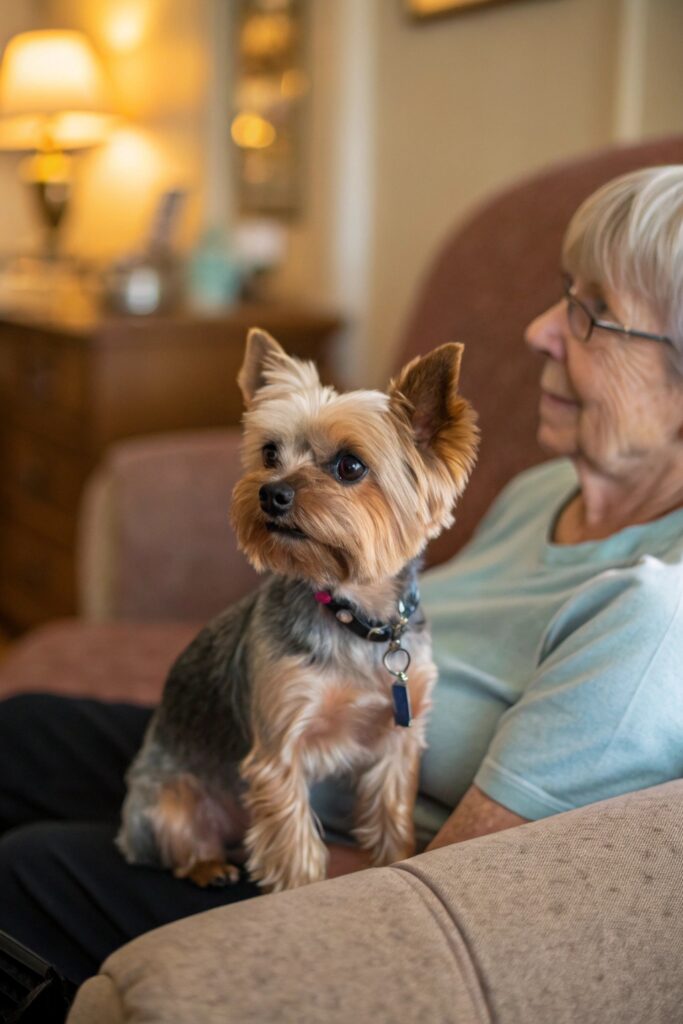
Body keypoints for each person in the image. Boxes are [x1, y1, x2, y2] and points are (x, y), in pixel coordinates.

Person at [1, 165, 682, 986]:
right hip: (286, 744)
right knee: (23, 730)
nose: (538, 329)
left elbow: (466, 891)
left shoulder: (654, 614)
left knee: (25, 875)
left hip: (349, 882)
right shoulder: (547, 490)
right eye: (558, 293)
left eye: (590, 312)